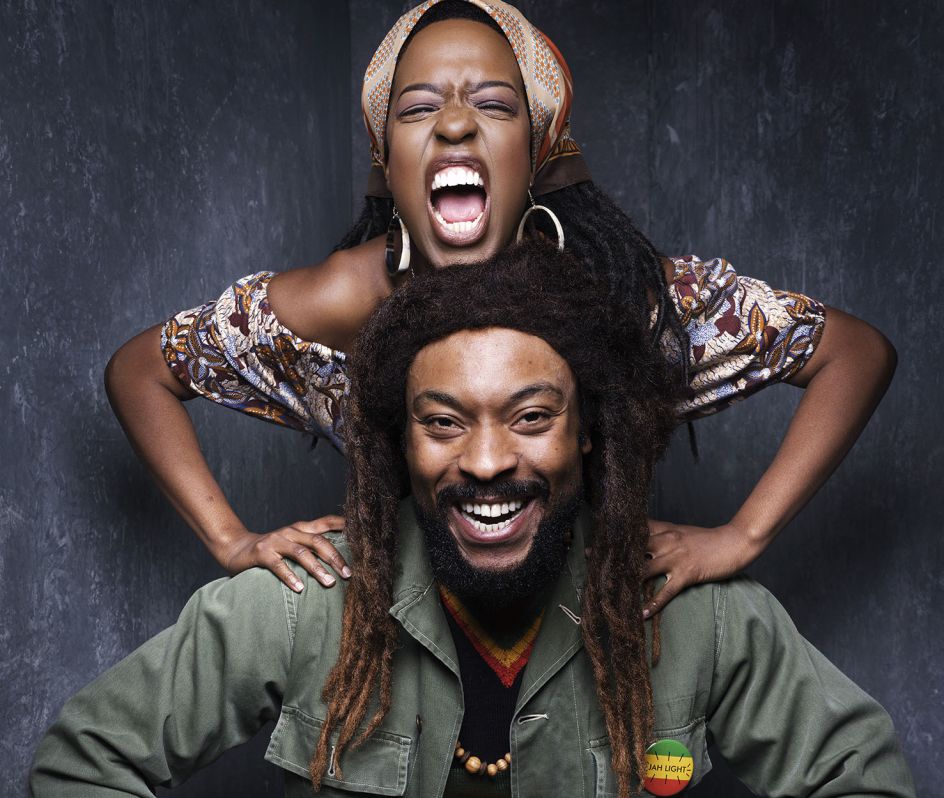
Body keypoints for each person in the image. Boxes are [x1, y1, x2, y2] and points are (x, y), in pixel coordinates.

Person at [32, 243, 914, 798]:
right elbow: (89, 759)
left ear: (589, 432)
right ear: (399, 444)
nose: (487, 461)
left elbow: (860, 778)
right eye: (444, 422)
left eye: (530, 417)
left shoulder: (687, 608)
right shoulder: (306, 600)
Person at [105, 0, 896, 615]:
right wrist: (231, 539)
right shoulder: (349, 298)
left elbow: (852, 353)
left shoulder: (616, 294)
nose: (453, 123)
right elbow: (140, 371)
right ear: (389, 160)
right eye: (419, 109)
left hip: (585, 635)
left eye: (492, 104)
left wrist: (743, 535)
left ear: (539, 149)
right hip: (405, 640)